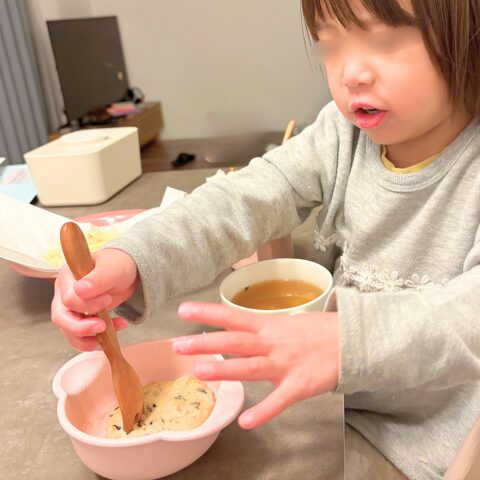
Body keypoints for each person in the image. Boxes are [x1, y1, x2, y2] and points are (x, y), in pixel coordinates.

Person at [51, 0, 480, 478]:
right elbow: (245, 197)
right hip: (329, 407)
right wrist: (133, 259)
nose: (351, 74)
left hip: (424, 447)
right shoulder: (341, 135)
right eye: (330, 46)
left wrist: (349, 341)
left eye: (383, 41)